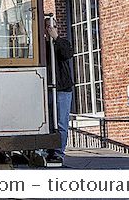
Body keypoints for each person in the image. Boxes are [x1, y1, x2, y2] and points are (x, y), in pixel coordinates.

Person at [45, 18, 74, 164]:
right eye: (49, 27)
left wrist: (56, 38)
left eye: (54, 27)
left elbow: (67, 54)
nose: (51, 29)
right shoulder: (42, 46)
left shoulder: (63, 43)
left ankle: (58, 152)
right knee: (47, 122)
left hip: (63, 89)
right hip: (47, 89)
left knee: (62, 123)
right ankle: (46, 149)